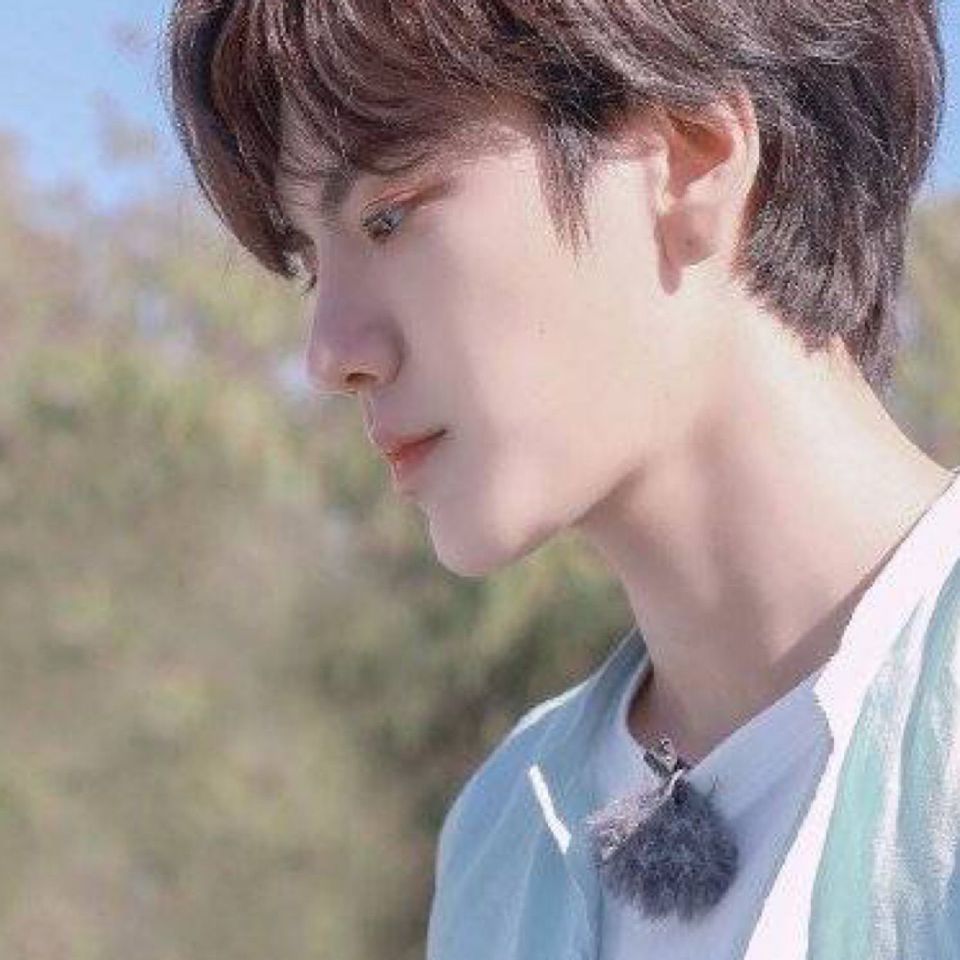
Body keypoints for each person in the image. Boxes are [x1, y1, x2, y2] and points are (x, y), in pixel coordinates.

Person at [164, 1, 959, 956]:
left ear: (693, 155)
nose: (330, 355)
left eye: (388, 216)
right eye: (308, 266)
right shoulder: (504, 830)